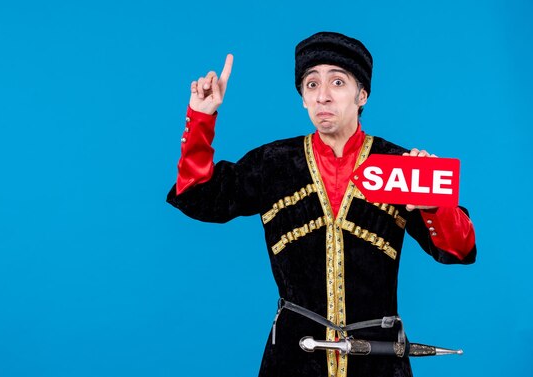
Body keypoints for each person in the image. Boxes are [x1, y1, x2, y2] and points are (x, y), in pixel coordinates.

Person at [166, 32, 476, 377]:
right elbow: (197, 196)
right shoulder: (272, 163)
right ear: (302, 98)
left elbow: (459, 249)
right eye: (311, 85)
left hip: (379, 361)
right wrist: (201, 117)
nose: (323, 96)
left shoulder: (400, 166)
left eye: (338, 82)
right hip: (293, 359)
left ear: (362, 95)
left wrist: (433, 203)